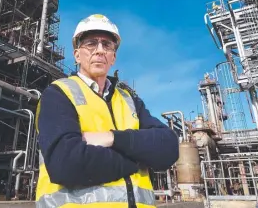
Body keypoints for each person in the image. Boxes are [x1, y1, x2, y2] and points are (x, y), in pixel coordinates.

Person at [34, 14, 180, 208]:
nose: (100, 51)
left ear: (114, 57)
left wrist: (111, 138)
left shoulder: (129, 100)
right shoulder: (59, 94)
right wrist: (137, 161)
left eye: (107, 45)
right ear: (77, 55)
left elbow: (168, 147)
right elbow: (65, 162)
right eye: (91, 44)